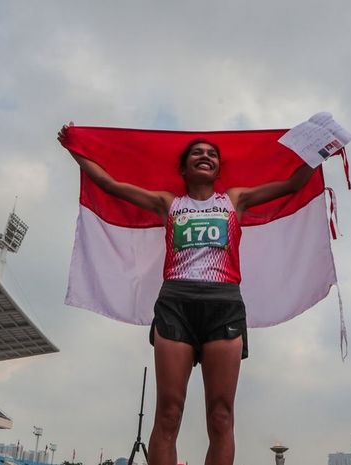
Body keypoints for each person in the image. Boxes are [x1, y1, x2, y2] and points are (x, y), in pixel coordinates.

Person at [59, 123, 315, 465]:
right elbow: (110, 185)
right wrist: (74, 147)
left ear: (218, 168)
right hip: (175, 305)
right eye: (197, 152)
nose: (205, 156)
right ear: (184, 167)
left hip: (223, 306)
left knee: (221, 416)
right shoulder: (168, 203)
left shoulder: (235, 199)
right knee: (168, 413)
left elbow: (293, 183)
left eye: (212, 154)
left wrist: (321, 148)